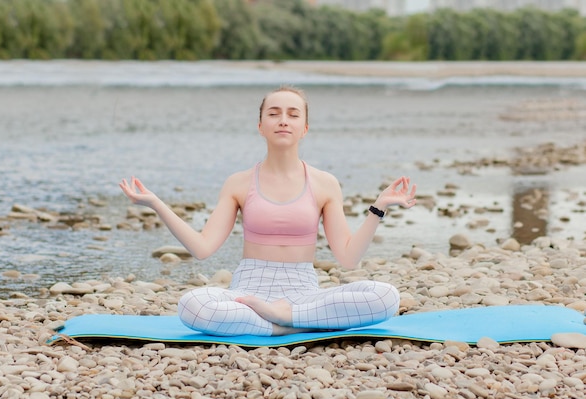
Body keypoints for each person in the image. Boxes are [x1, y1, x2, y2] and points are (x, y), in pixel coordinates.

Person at [120, 86, 417, 337]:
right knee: (191, 305)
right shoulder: (238, 183)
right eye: (273, 114)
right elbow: (202, 248)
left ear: (305, 129)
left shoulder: (325, 183)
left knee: (386, 297)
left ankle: (284, 318)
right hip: (249, 293)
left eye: (293, 114)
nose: (283, 121)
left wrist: (378, 207)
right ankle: (289, 327)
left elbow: (348, 258)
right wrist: (156, 203)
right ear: (261, 126)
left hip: (303, 292)